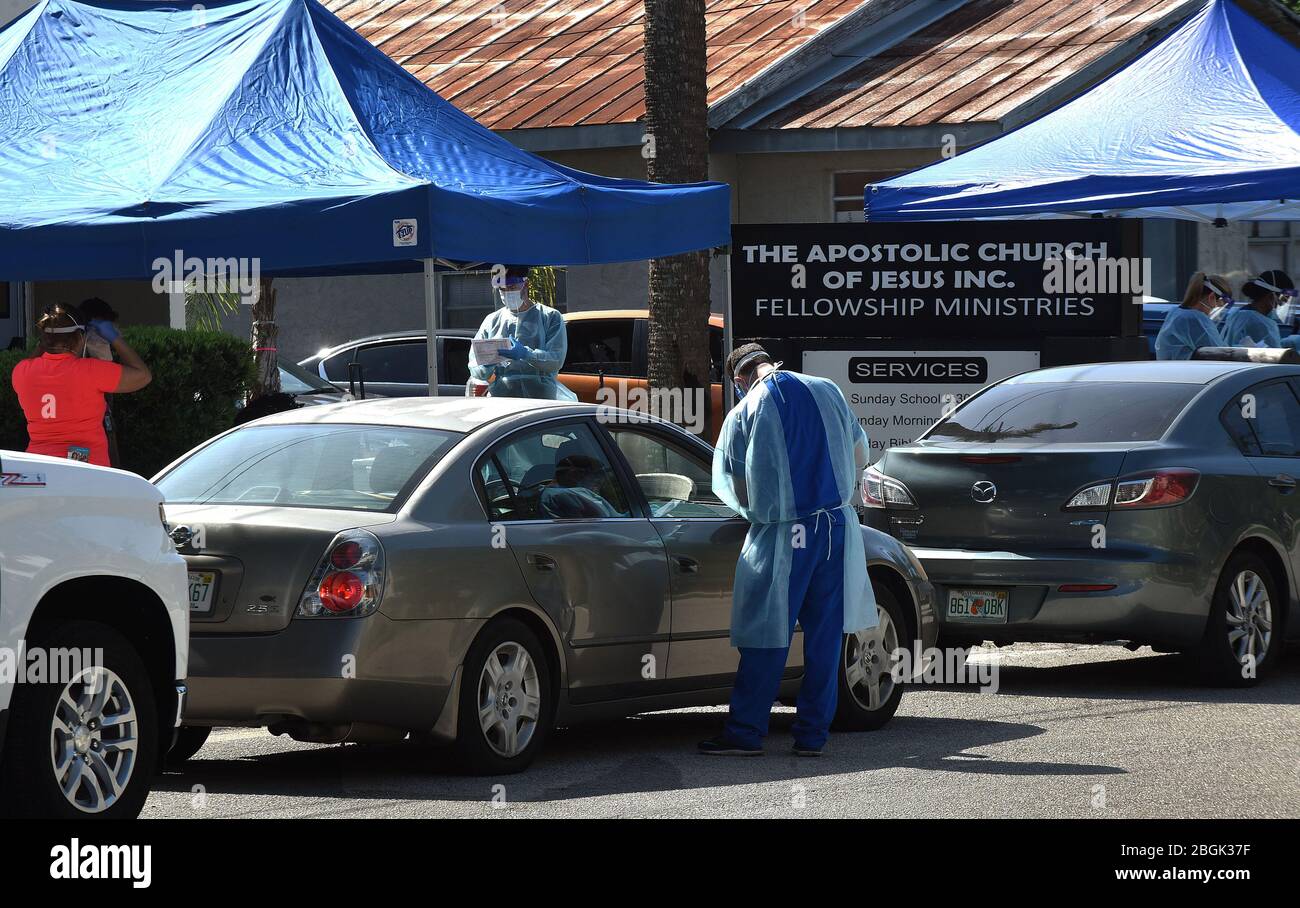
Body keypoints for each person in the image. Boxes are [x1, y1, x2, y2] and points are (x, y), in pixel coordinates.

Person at [700, 343, 877, 757]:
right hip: (834, 528)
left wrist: (763, 505)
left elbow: (730, 483)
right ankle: (813, 735)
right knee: (826, 636)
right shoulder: (827, 389)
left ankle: (745, 731)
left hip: (783, 536)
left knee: (767, 633)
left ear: (739, 380)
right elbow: (859, 452)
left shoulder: (745, 411)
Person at [11, 303, 151, 467]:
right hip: (84, 470)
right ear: (79, 338)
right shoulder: (90, 371)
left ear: (44, 339)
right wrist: (114, 338)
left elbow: (34, 360)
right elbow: (143, 375)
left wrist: (45, 343)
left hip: (38, 468)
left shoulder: (22, 371)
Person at [468, 265, 575, 400]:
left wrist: (526, 354)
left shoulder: (550, 317)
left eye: (512, 288)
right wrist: (487, 363)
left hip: (541, 399)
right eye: (502, 289)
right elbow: (476, 368)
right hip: (504, 399)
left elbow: (556, 360)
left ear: (526, 284)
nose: (507, 292)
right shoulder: (492, 321)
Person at [1154, 272, 1231, 360]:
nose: (1219, 309)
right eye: (1220, 304)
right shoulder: (1193, 319)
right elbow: (1219, 354)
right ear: (1212, 297)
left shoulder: (1177, 312)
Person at [1223, 270, 1297, 348]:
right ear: (1270, 296)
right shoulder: (1257, 322)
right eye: (1284, 300)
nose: (1283, 305)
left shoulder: (1243, 313)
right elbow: (1273, 354)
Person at [540, 454, 625, 518]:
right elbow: (606, 520)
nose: (599, 481)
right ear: (574, 474)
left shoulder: (551, 493)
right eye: (596, 475)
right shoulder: (567, 495)